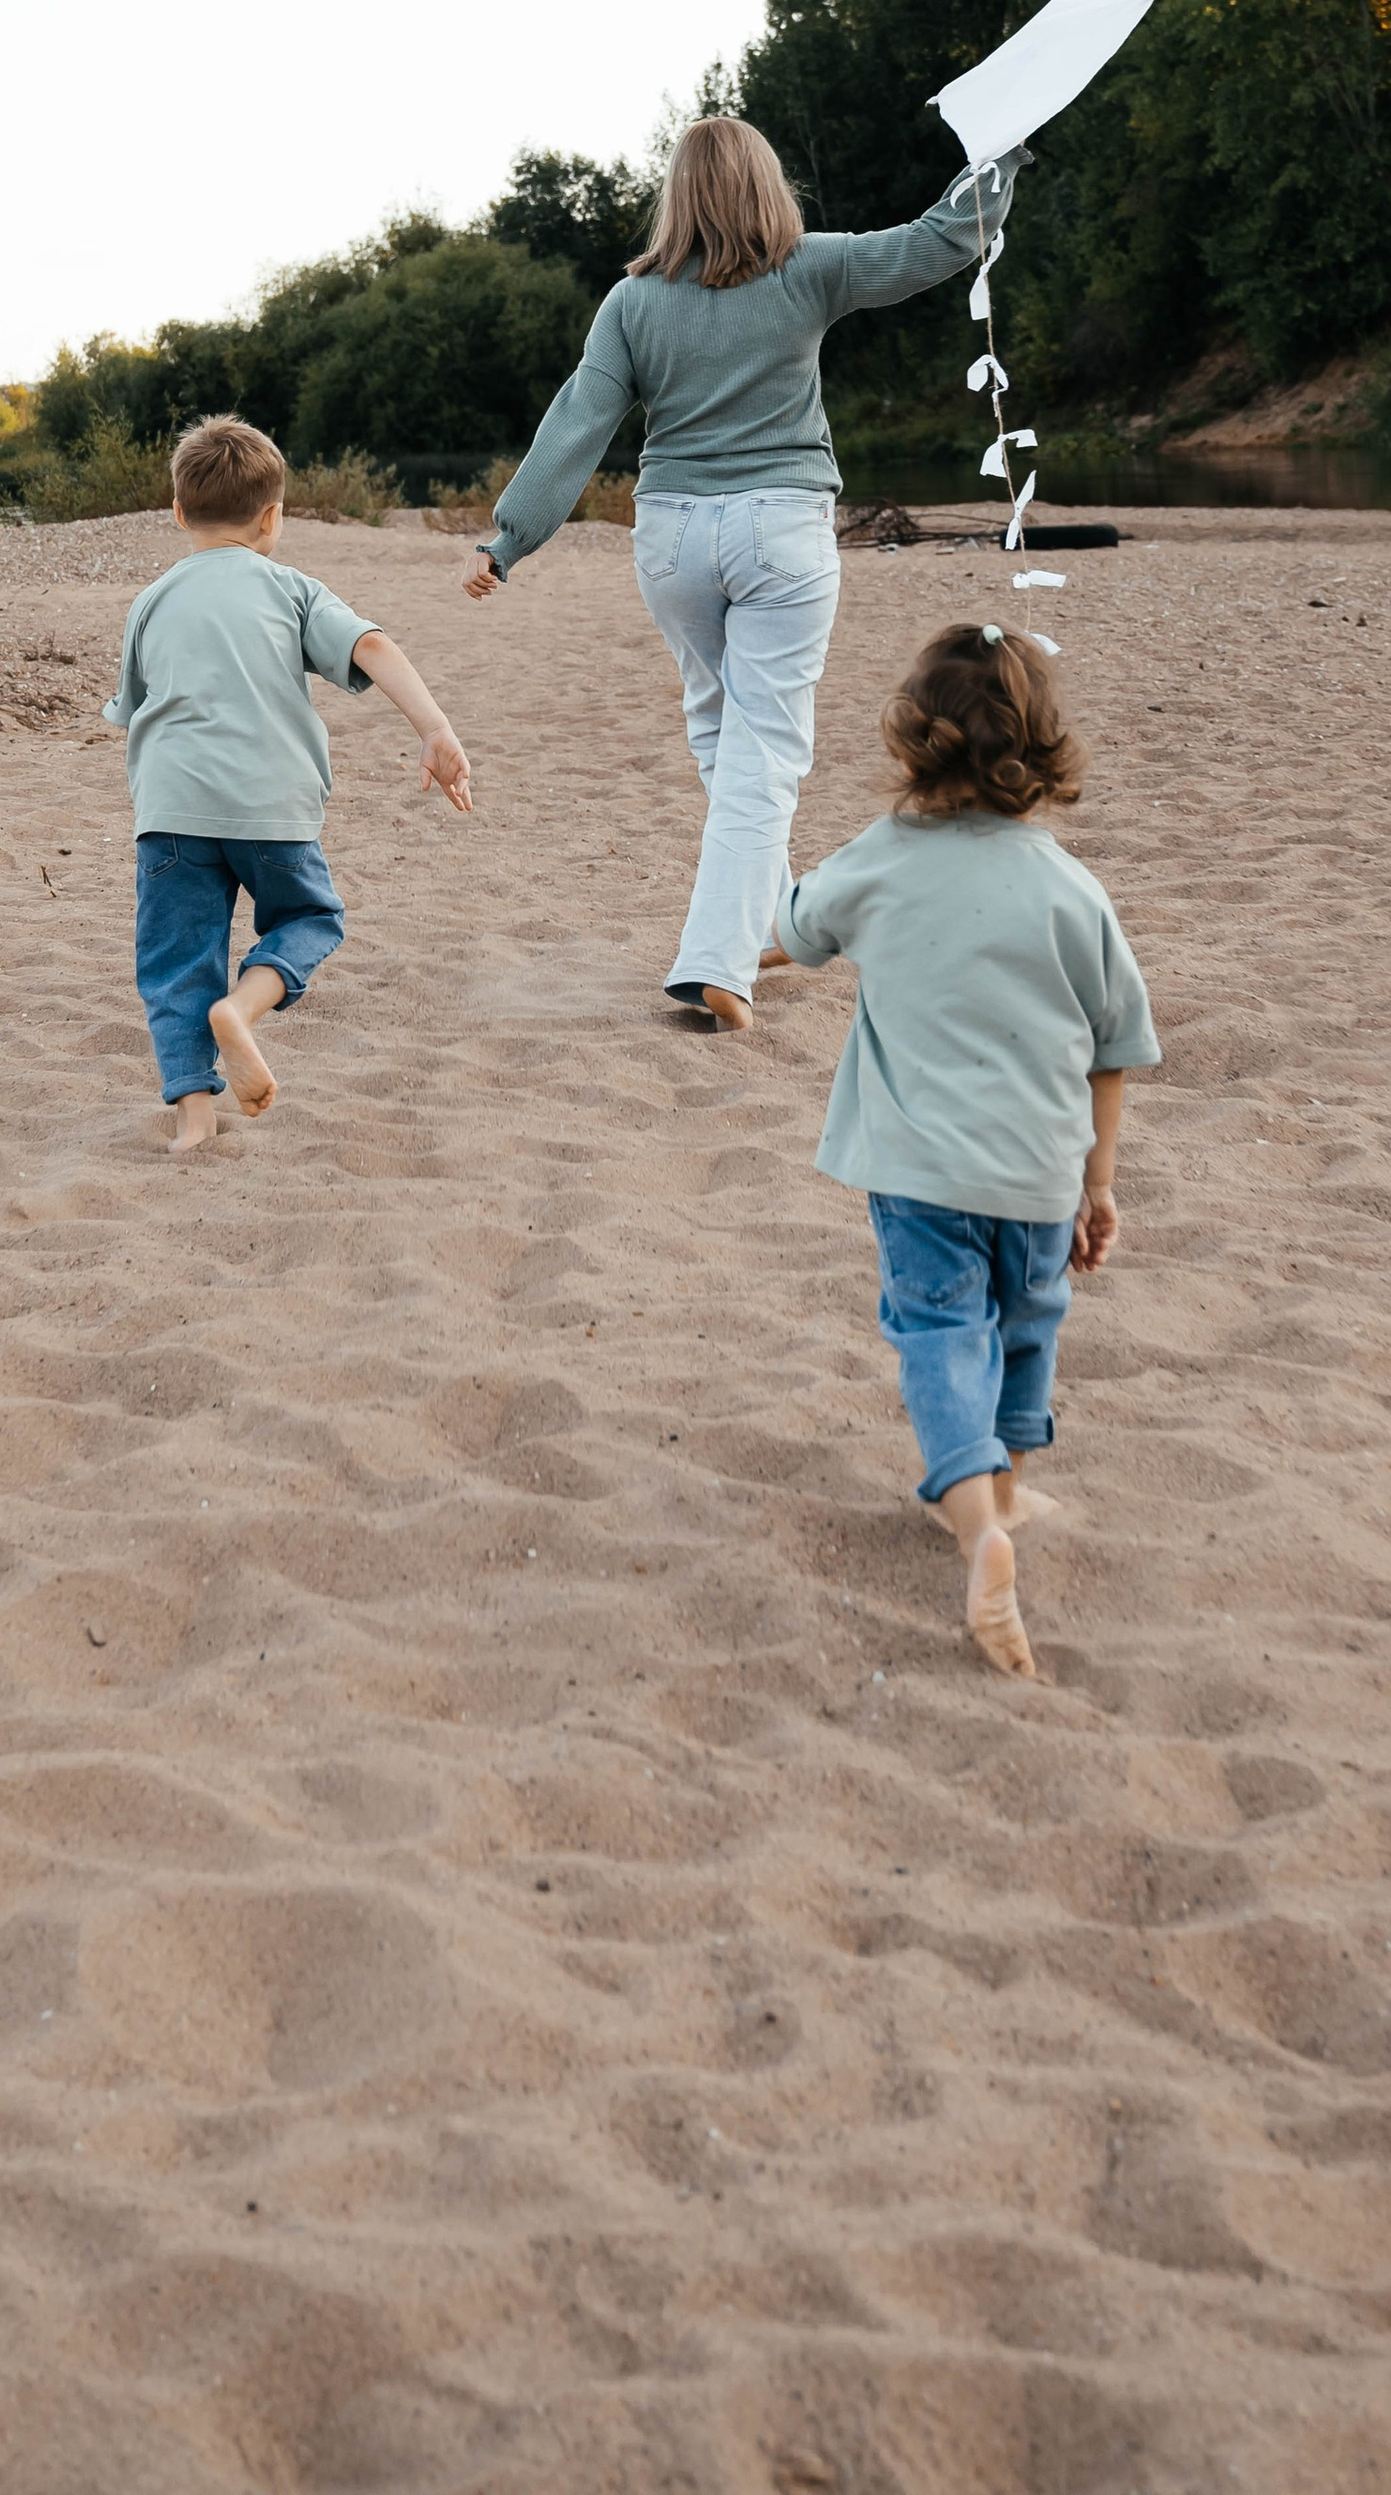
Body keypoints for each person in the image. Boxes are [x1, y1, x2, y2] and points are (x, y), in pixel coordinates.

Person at [462, 114, 1022, 1026]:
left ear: (674, 197)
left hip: (673, 536)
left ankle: (777, 918)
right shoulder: (811, 266)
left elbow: (578, 421)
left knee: (724, 731)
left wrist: (510, 539)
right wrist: (996, 161)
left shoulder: (632, 302)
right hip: (780, 531)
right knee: (766, 747)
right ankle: (715, 960)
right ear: (768, 186)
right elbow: (938, 242)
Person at [774, 620, 1157, 1679]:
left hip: (917, 1170)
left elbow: (799, 929)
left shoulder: (882, 859)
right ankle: (1004, 1489)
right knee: (1027, 1324)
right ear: (1041, 756)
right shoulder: (1075, 892)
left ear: (913, 741)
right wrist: (1099, 1182)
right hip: (1038, 1171)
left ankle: (977, 1526)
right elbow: (1114, 1050)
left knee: (941, 1333)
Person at [105, 415, 472, 1158]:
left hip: (172, 813)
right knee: (310, 917)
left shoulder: (150, 602)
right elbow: (371, 646)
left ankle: (194, 1120)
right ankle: (242, 1008)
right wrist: (433, 725)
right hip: (272, 808)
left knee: (177, 961)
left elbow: (132, 708)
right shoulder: (292, 590)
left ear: (177, 511)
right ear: (273, 516)